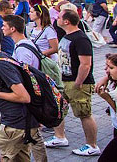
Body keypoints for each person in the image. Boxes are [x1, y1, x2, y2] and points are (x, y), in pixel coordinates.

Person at [0, 23, 47, 162]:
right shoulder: (1, 59)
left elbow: (23, 96)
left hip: (14, 125)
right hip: (21, 123)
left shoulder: (1, 64)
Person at [45, 9, 100, 156]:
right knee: (59, 107)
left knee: (84, 113)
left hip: (78, 82)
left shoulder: (80, 38)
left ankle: (92, 145)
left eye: (59, 17)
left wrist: (78, 82)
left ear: (66, 21)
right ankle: (59, 136)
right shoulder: (66, 36)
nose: (56, 19)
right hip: (65, 80)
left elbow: (85, 64)